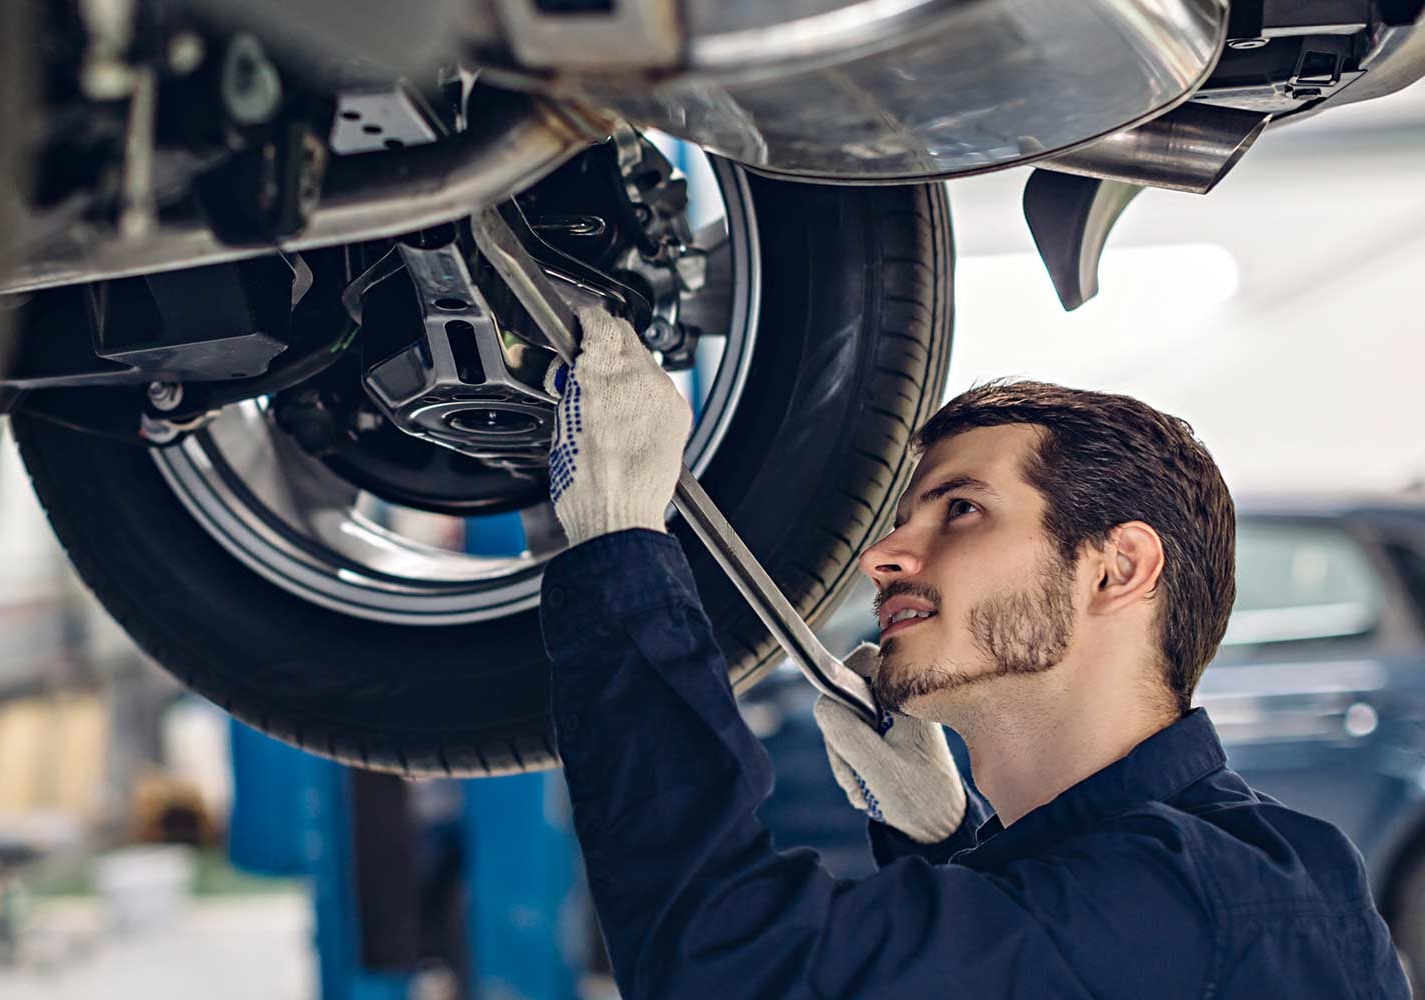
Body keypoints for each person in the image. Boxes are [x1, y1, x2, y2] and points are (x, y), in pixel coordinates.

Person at [540, 307, 1408, 998]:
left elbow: (726, 967)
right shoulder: (1226, 865)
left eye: (961, 510)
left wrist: (620, 546)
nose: (883, 555)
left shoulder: (1195, 891)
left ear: (1117, 568)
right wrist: (942, 840)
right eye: (905, 517)